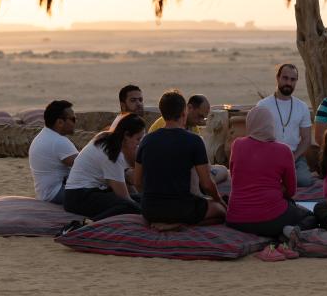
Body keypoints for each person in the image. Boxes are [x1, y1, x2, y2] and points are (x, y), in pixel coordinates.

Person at [134, 91, 226, 225]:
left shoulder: (146, 140)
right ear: (184, 112)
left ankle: (171, 223)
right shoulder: (194, 140)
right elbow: (207, 184)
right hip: (181, 209)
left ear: (162, 113)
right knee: (221, 211)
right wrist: (219, 200)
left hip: (150, 211)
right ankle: (179, 224)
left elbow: (137, 182)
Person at [226, 106, 314, 237]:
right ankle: (288, 233)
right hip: (271, 220)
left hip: (236, 220)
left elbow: (234, 178)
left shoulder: (237, 145)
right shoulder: (283, 151)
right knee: (310, 217)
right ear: (272, 125)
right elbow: (291, 191)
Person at [63, 114, 144, 221]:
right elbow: (124, 197)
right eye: (138, 139)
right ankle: (90, 224)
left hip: (93, 191)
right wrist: (143, 211)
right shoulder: (112, 153)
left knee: (142, 199)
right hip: (78, 197)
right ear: (126, 135)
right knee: (128, 206)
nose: (139, 144)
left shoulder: (107, 138)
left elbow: (129, 189)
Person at [148, 93, 228, 186]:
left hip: (185, 174)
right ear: (189, 108)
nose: (201, 121)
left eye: (204, 118)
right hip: (171, 175)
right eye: (200, 116)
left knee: (222, 169)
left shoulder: (193, 128)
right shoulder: (167, 123)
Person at [256, 64, 314, 187]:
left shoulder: (302, 107)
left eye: (292, 80)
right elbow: (256, 137)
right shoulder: (263, 105)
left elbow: (306, 139)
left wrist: (293, 157)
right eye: (285, 78)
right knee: (263, 180)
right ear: (277, 78)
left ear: (296, 81)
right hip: (269, 157)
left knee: (304, 180)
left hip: (294, 157)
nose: (288, 82)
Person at [28, 100, 78, 204]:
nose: (75, 122)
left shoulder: (44, 135)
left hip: (45, 193)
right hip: (56, 194)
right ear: (60, 122)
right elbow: (84, 165)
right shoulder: (58, 141)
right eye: (73, 119)